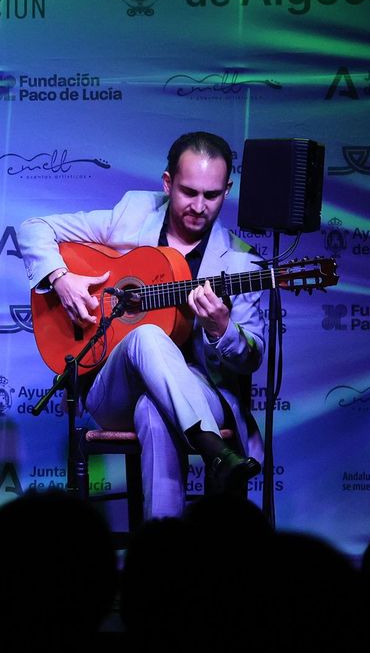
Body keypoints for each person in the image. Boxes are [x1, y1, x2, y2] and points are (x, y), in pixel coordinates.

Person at [17, 131, 264, 520]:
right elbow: (33, 227)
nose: (199, 206)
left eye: (212, 196)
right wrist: (61, 278)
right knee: (146, 334)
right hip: (114, 391)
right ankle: (214, 452)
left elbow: (251, 357)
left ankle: (156, 555)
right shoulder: (132, 214)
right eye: (188, 192)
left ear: (227, 190)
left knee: (154, 410)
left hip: (203, 393)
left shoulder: (240, 263)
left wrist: (221, 328)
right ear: (167, 184)